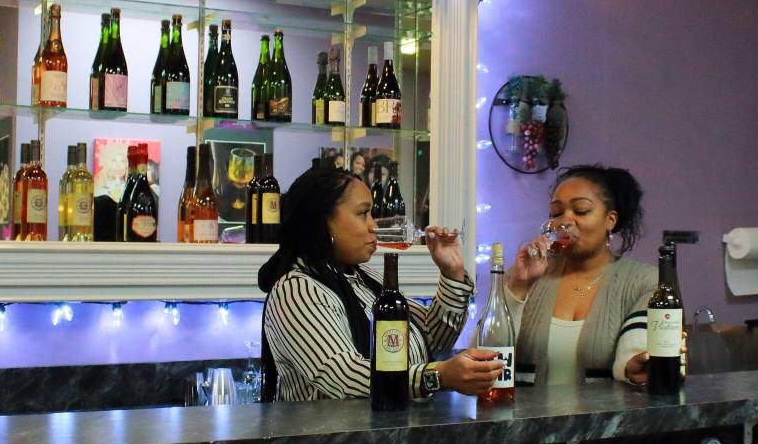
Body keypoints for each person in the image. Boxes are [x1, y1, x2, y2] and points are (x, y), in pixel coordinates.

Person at [258, 167, 504, 401]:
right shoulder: (297, 290)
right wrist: (437, 376)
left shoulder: (366, 278)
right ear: (322, 221)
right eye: (363, 213)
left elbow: (430, 340)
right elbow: (344, 377)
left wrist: (452, 274)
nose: (373, 226)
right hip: (337, 443)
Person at [505, 164, 660, 386]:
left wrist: (634, 366)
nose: (565, 221)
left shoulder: (644, 281)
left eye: (581, 210)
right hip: (527, 419)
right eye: (556, 213)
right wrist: (518, 286)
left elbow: (635, 349)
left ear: (610, 220)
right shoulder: (527, 274)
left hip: (606, 420)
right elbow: (484, 351)